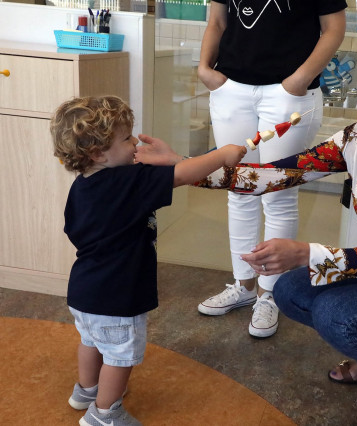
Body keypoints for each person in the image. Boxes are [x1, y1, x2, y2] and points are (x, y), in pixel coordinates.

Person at [136, 16, 357, 426]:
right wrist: (179, 167)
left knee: (335, 314)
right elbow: (275, 174)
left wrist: (305, 252)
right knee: (291, 291)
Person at [50, 95, 246, 426]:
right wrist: (222, 155)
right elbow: (182, 175)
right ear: (99, 153)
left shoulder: (82, 186)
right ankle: (104, 413)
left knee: (91, 340)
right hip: (117, 296)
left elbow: (73, 228)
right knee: (119, 355)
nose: (134, 143)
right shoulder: (129, 183)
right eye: (126, 138)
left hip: (84, 290)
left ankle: (86, 390)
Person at [195, 0, 347, 338]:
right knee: (239, 190)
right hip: (231, 88)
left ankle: (270, 294)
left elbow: (334, 28)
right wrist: (205, 69)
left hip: (288, 93)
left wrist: (300, 79)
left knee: (278, 194)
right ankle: (244, 285)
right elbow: (217, 22)